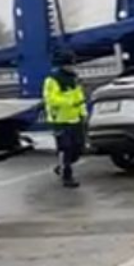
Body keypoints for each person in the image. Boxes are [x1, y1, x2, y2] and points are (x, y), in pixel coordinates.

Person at [43, 50, 87, 189]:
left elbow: (80, 97)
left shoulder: (74, 78)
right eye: (69, 64)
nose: (72, 66)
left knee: (79, 148)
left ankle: (61, 167)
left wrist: (83, 114)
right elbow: (51, 99)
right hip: (60, 119)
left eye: (73, 64)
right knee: (65, 148)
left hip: (75, 118)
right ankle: (67, 176)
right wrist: (70, 102)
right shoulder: (52, 79)